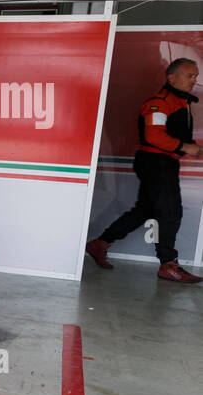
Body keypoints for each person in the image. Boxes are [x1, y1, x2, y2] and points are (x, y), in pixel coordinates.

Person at [86, 58, 203, 282]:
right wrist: (185, 146)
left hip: (163, 162)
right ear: (171, 77)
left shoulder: (180, 102)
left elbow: (172, 135)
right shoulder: (158, 103)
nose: (194, 80)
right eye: (189, 75)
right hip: (155, 163)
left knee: (146, 210)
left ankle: (99, 243)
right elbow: (154, 135)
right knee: (170, 211)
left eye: (196, 76)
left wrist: (192, 147)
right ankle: (168, 264)